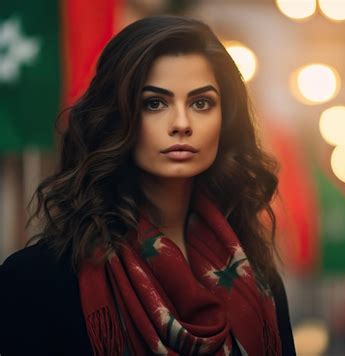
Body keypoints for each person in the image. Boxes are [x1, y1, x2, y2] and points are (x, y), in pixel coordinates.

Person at [0, 15, 296, 356]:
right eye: (155, 103)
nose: (182, 124)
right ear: (117, 115)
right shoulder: (38, 280)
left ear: (224, 120)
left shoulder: (259, 282)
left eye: (201, 103)